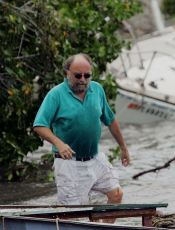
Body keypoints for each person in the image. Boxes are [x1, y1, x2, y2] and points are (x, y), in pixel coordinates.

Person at [33, 53, 130, 207]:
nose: (83, 80)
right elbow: (39, 125)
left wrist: (123, 147)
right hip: (68, 163)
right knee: (73, 213)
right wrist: (59, 144)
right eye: (78, 75)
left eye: (87, 75)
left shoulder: (97, 89)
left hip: (95, 158)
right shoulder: (56, 95)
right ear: (67, 73)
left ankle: (102, 229)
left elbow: (110, 120)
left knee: (116, 194)